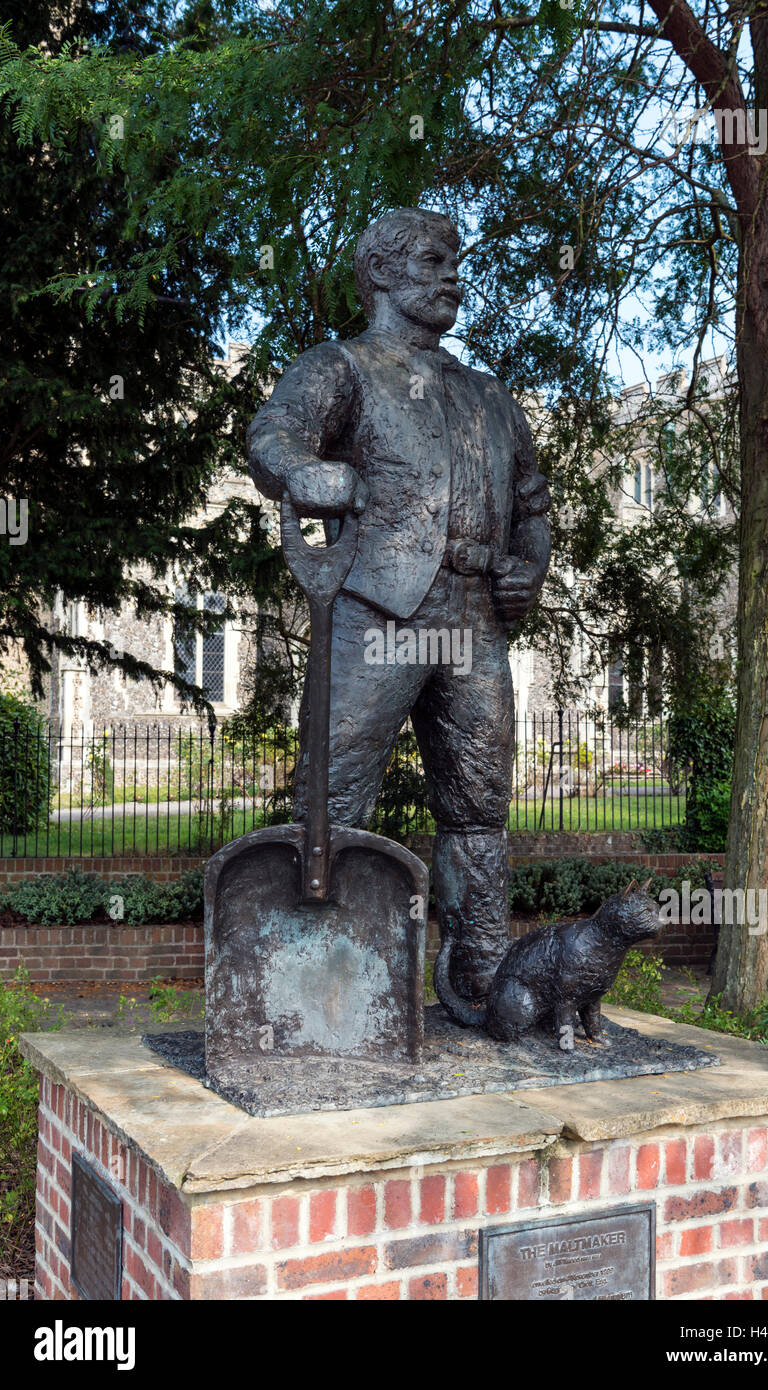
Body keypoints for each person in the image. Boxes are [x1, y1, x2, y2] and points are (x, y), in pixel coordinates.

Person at [247, 208, 551, 1002]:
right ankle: (318, 984)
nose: (452, 275)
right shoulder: (341, 367)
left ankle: (479, 977)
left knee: (480, 808)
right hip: (379, 607)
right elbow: (272, 438)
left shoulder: (488, 394)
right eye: (431, 261)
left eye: (455, 261)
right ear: (379, 272)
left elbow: (533, 507)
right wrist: (308, 476)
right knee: (334, 794)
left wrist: (529, 569)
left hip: (476, 620)